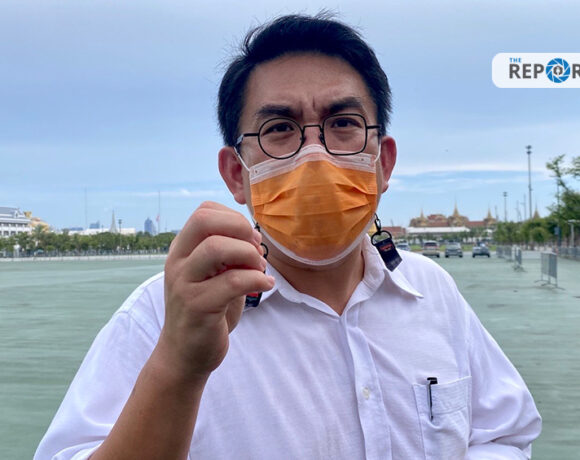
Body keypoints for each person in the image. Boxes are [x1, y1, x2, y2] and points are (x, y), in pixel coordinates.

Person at [35, 14, 541, 460]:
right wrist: (178, 367)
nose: (315, 154)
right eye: (279, 128)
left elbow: (504, 432)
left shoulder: (433, 292)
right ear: (237, 174)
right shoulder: (162, 317)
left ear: (383, 162)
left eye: (343, 123)